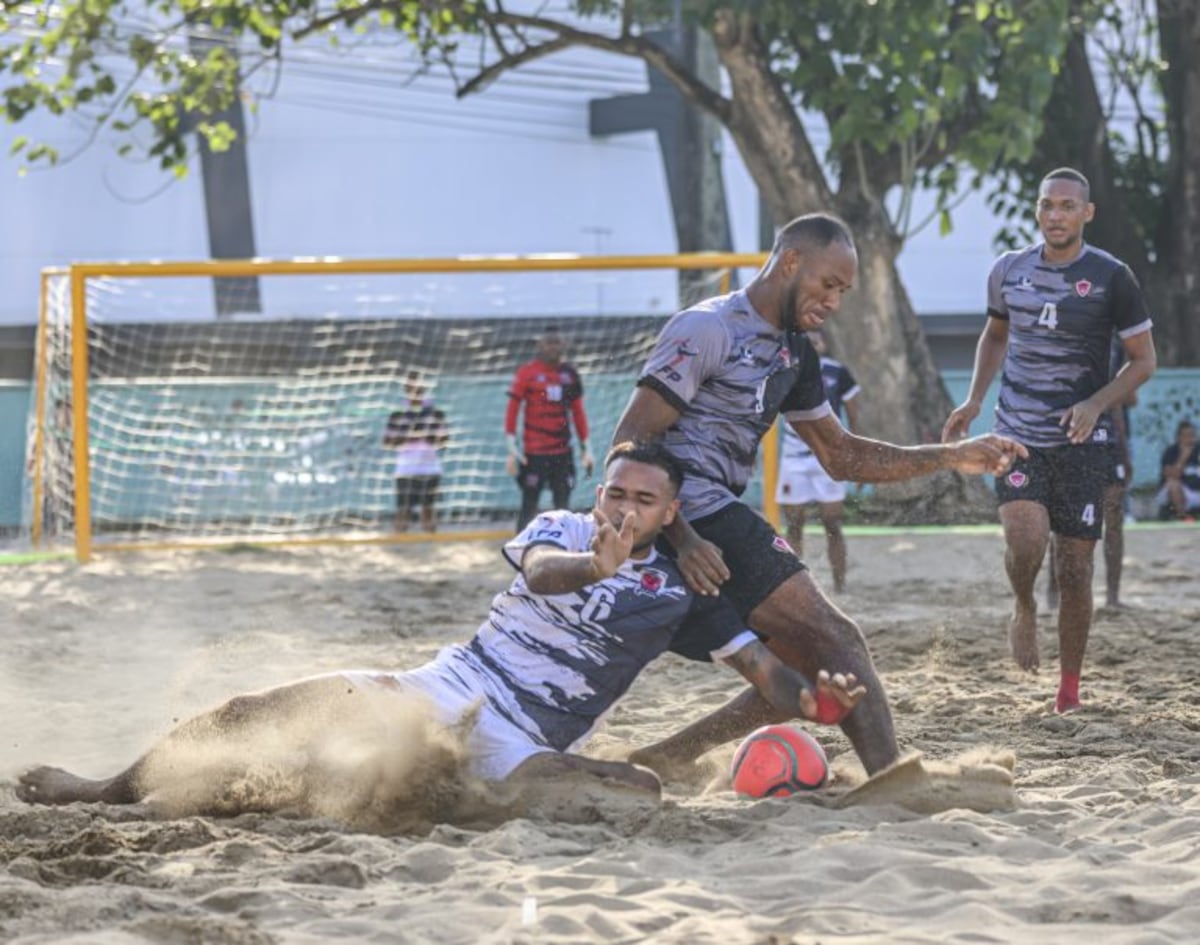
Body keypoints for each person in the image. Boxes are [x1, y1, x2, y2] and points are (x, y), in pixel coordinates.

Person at [16, 441, 866, 814]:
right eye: (617, 493)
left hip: (530, 734)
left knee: (631, 794)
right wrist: (593, 567)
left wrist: (818, 702)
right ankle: (105, 787)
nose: (624, 509)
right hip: (452, 684)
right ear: (600, 492)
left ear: (671, 511)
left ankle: (323, 795)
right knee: (255, 706)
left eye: (644, 500)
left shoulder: (687, 587)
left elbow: (765, 676)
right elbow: (540, 576)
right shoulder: (565, 529)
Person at [611, 211, 1027, 779]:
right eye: (828, 284)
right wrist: (681, 537)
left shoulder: (794, 352)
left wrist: (948, 457)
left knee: (802, 669)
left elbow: (841, 455)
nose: (834, 300)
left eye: (844, 291)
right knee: (837, 638)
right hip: (685, 517)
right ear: (790, 262)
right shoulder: (706, 329)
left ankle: (664, 758)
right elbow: (630, 444)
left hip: (708, 524)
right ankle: (896, 779)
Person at [943, 167, 1156, 714]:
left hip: (1084, 442)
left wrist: (1094, 404)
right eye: (1047, 206)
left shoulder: (1112, 277)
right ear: (1037, 212)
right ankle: (1022, 606)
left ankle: (1068, 690)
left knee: (1076, 569)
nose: (1055, 215)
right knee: (1026, 537)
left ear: (1087, 213)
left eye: (1067, 206)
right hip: (1018, 434)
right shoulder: (1008, 271)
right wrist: (973, 402)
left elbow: (1143, 360)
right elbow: (994, 336)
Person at [1046, 343, 1137, 610]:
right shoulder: (1065, 347)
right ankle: (1054, 593)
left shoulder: (1117, 346)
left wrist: (1123, 453)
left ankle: (1111, 596)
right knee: (1064, 523)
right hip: (1073, 439)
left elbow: (1124, 402)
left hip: (1106, 441)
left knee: (1113, 517)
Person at [775, 330, 861, 593]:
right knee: (794, 525)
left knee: (832, 523)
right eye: (807, 339)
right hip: (793, 459)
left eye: (817, 339)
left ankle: (840, 586)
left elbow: (854, 417)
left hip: (827, 457)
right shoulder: (784, 371)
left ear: (824, 343)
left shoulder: (838, 372)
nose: (813, 343)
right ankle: (797, 586)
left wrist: (855, 459)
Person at [505, 327, 594, 531]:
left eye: (557, 342)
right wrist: (511, 447)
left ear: (563, 345)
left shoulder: (569, 374)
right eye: (548, 342)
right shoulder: (527, 373)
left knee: (562, 505)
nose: (552, 347)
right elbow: (513, 409)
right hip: (533, 453)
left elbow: (578, 412)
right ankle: (521, 550)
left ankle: (564, 546)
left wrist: (586, 448)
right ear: (540, 345)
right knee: (529, 504)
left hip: (563, 452)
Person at [383, 372, 449, 532]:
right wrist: (408, 438)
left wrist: (427, 437)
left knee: (428, 511)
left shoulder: (435, 413)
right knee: (403, 512)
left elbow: (445, 440)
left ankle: (431, 549)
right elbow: (387, 442)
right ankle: (399, 550)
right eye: (410, 387)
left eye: (418, 388)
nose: (414, 391)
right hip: (406, 469)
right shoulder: (398, 414)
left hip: (430, 467)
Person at [1158, 419, 1200, 520]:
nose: (1191, 439)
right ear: (1179, 438)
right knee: (1173, 484)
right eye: (1187, 435)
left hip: (1196, 490)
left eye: (1193, 435)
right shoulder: (1171, 452)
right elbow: (1170, 475)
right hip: (1176, 491)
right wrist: (1183, 457)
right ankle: (1184, 518)